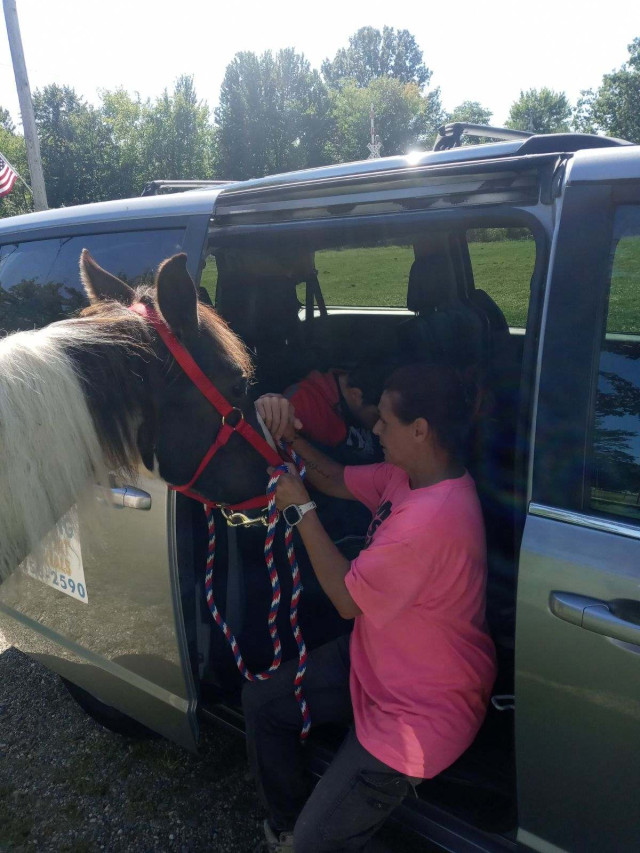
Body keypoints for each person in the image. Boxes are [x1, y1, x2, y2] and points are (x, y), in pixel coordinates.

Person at [247, 363, 497, 853]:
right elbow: (337, 478)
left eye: (385, 421)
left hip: (420, 710)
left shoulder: (431, 522)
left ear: (420, 430)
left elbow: (344, 599)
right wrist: (287, 436)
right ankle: (288, 827)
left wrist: (298, 509)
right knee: (263, 704)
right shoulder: (412, 476)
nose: (374, 428)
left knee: (318, 844)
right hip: (376, 661)